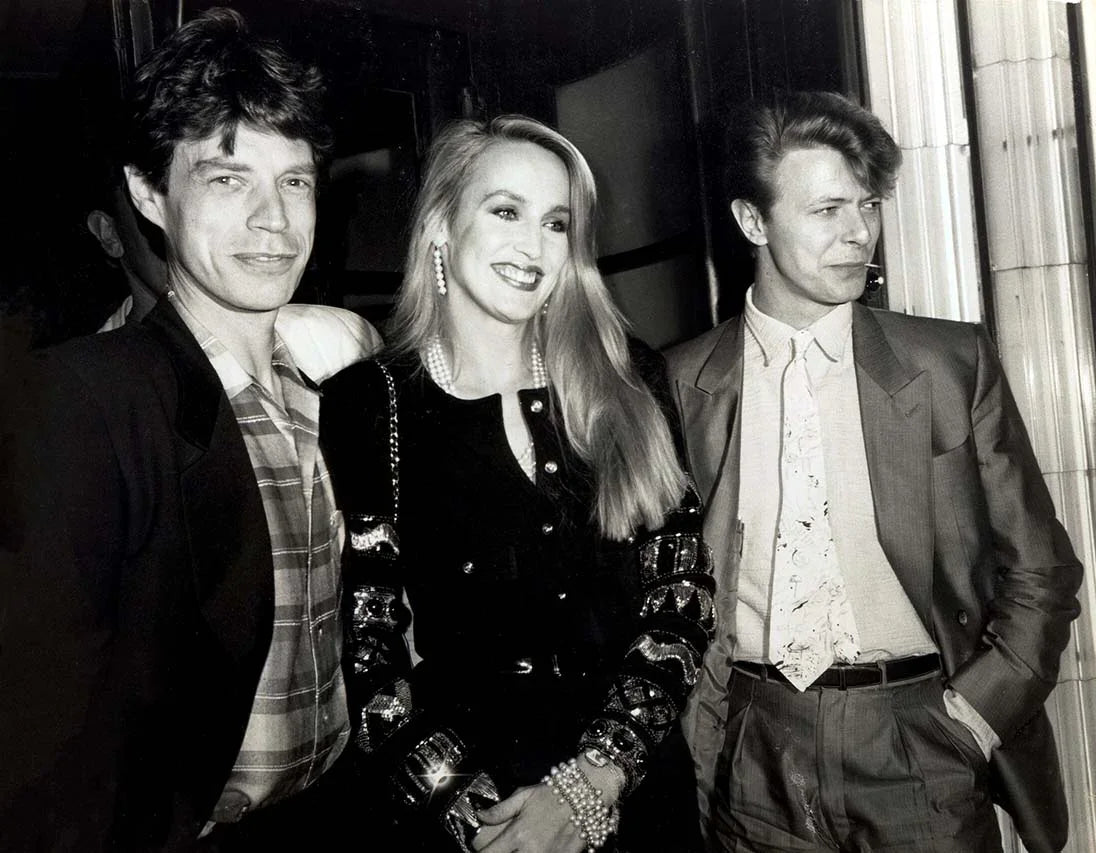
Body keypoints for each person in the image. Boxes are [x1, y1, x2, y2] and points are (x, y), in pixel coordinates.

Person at [666, 90, 1083, 853]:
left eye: (868, 204)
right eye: (827, 210)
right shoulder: (678, 383)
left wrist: (975, 715)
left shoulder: (950, 364)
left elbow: (1043, 571)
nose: (859, 233)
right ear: (752, 222)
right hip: (754, 745)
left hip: (922, 740)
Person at [0, 9, 369, 850]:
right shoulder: (85, 400)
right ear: (146, 193)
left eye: (296, 180)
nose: (274, 219)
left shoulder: (332, 392)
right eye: (228, 178)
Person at [319, 114, 716, 852]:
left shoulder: (627, 378)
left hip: (636, 801)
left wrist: (595, 779)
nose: (534, 246)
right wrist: (489, 826)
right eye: (506, 211)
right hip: (467, 820)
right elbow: (372, 653)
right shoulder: (370, 404)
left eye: (557, 223)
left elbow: (683, 593)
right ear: (441, 225)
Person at [86, 169, 381, 375]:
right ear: (109, 234)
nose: (178, 223)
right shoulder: (89, 390)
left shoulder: (341, 341)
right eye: (150, 203)